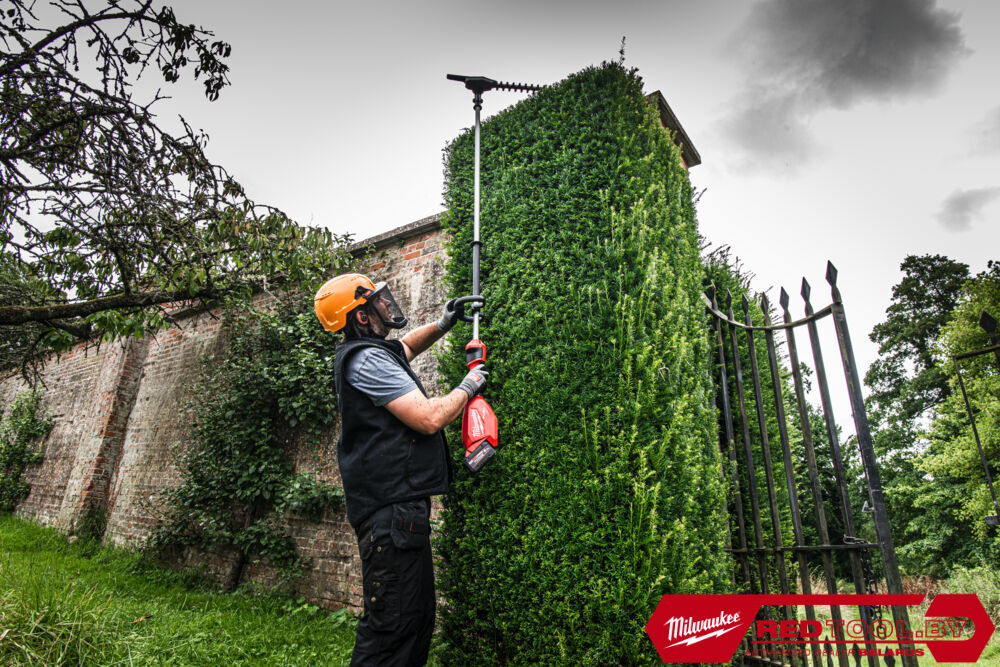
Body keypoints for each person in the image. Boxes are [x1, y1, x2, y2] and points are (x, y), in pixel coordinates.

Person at [314, 273, 487, 666]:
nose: (386, 304)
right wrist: (469, 384)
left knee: (415, 621)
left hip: (397, 512)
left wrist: (443, 323)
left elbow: (405, 347)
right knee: (392, 629)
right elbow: (428, 419)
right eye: (377, 301)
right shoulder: (367, 360)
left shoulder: (372, 352)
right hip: (390, 516)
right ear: (361, 317)